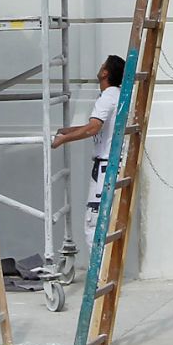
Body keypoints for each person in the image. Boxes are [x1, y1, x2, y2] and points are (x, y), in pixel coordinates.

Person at [50, 56, 126, 244]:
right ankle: (105, 272)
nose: (100, 67)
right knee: (106, 222)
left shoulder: (107, 97)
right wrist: (69, 131)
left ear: (105, 73)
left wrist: (63, 139)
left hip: (104, 169)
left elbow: (94, 128)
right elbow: (99, 127)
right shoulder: (118, 95)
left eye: (103, 65)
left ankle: (97, 273)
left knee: (94, 224)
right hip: (112, 165)